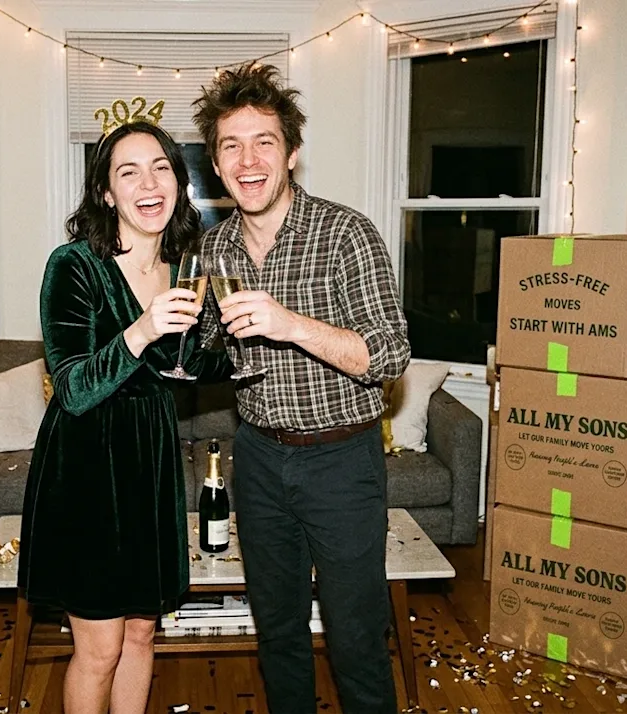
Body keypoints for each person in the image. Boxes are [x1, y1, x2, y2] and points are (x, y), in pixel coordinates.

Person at [192, 64, 412, 713]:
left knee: (354, 636)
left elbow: (391, 354)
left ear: (291, 152)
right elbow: (211, 351)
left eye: (264, 141)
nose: (248, 159)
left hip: (342, 460)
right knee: (279, 632)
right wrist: (180, 337)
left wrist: (290, 325)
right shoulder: (215, 248)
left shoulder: (346, 233)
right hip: (257, 455)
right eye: (231, 145)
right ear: (216, 162)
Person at [17, 118, 230, 714]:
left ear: (178, 182)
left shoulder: (182, 267)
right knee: (101, 647)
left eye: (161, 167)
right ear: (106, 193)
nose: (149, 181)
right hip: (87, 467)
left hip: (151, 460)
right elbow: (75, 388)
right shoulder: (74, 265)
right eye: (128, 171)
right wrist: (143, 328)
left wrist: (252, 351)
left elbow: (180, 366)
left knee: (142, 632)